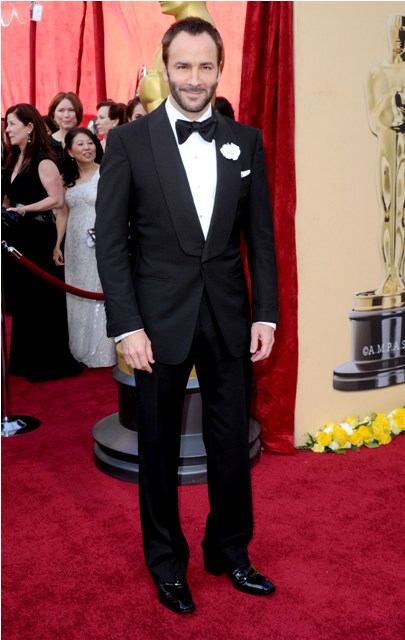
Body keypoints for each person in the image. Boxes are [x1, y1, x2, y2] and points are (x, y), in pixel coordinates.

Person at [95, 17, 278, 614]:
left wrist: (266, 315)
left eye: (205, 66)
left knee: (231, 443)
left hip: (228, 318)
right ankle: (166, 564)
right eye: (183, 66)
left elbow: (261, 239)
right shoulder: (129, 142)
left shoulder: (246, 141)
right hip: (155, 325)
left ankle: (231, 551)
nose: (194, 78)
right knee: (158, 449)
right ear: (165, 68)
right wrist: (127, 325)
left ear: (219, 68)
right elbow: (111, 245)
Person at [2, 104, 83, 382]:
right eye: (7, 124)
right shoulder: (14, 159)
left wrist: (24, 209)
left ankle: (47, 362)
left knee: (41, 299)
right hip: (17, 238)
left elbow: (57, 199)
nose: (7, 130)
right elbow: (9, 197)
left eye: (12, 124)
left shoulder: (43, 160)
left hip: (38, 237)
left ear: (29, 127)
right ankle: (26, 360)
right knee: (24, 300)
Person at [53, 128, 116, 368]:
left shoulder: (107, 171)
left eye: (90, 143)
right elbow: (63, 213)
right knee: (78, 291)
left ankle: (103, 352)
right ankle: (79, 350)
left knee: (100, 289)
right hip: (75, 244)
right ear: (70, 151)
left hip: (103, 240)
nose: (87, 148)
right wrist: (57, 244)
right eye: (80, 144)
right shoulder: (68, 179)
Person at [365, 12, 405, 296]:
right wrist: (393, 100)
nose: (398, 37)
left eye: (402, 31)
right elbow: (375, 119)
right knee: (389, 211)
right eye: (395, 31)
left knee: (403, 212)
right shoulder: (376, 74)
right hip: (386, 147)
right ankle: (389, 275)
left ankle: (398, 276)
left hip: (403, 145)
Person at [48, 92, 83, 170]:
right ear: (53, 115)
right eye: (61, 110)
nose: (66, 115)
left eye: (71, 110)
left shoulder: (90, 139)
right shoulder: (45, 144)